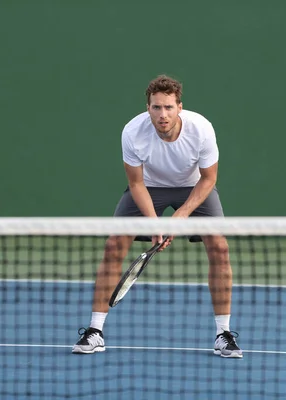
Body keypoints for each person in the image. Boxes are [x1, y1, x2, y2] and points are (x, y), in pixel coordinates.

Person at [72, 75, 242, 358]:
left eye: (168, 107)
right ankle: (95, 331)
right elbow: (136, 184)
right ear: (148, 107)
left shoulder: (201, 129)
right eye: (156, 108)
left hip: (194, 187)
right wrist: (155, 225)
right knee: (114, 244)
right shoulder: (132, 132)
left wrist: (179, 218)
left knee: (220, 247)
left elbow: (209, 179)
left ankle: (223, 334)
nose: (162, 115)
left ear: (179, 107)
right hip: (149, 187)